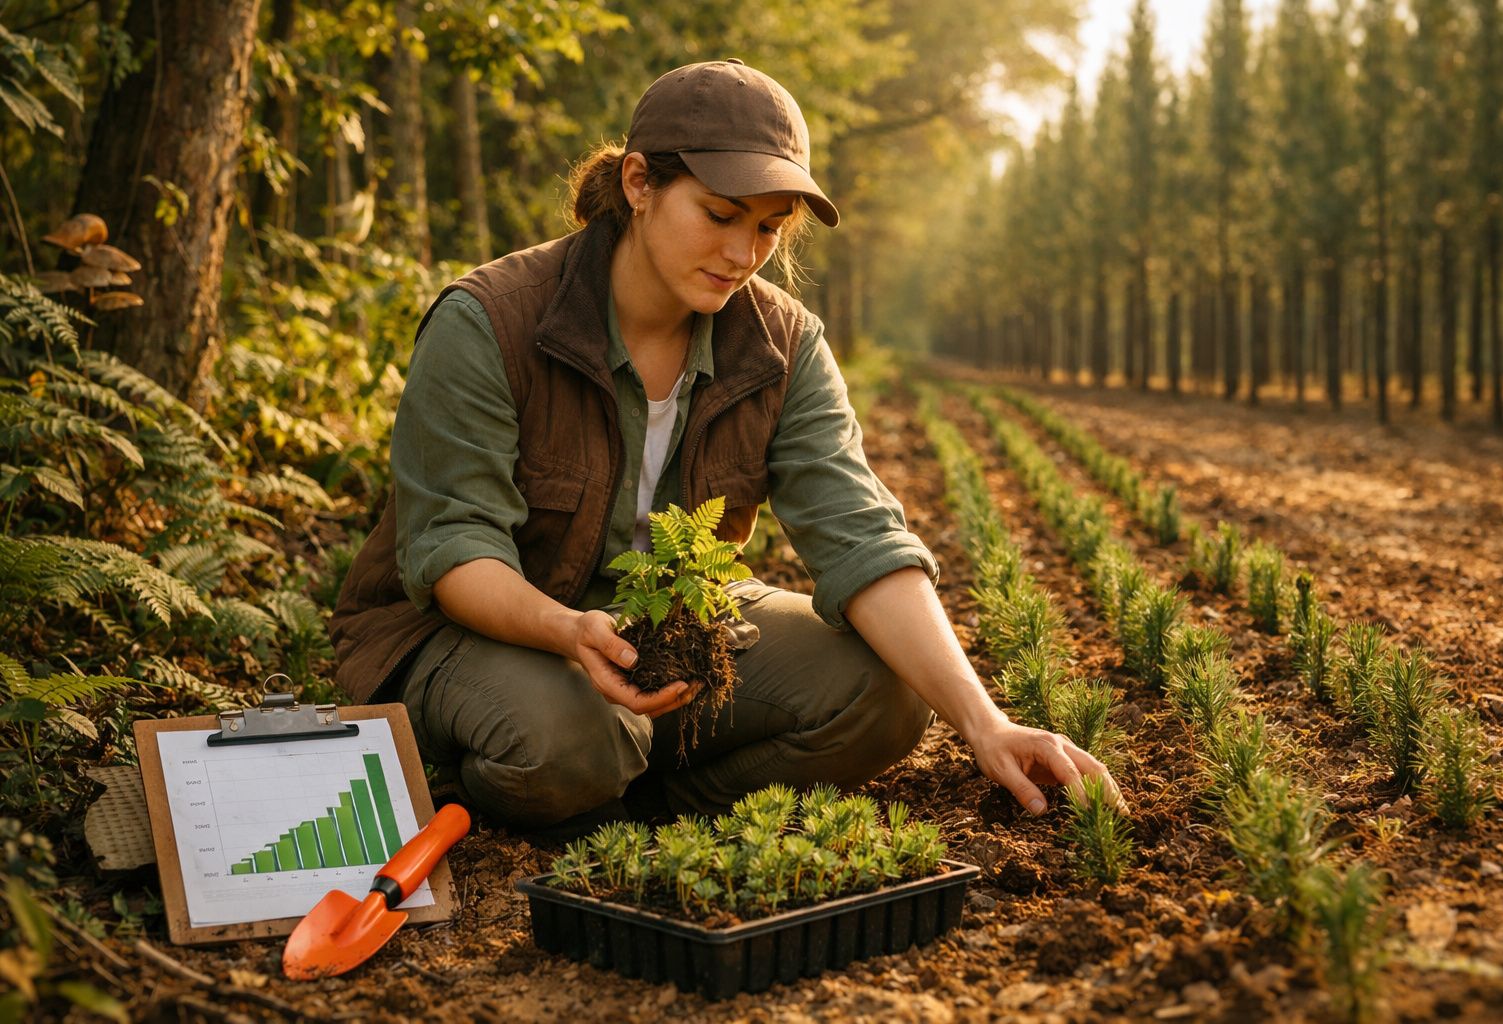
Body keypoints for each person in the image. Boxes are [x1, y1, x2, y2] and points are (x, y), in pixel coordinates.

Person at [329, 59, 1121, 833]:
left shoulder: (781, 344)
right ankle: (556, 764)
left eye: (769, 228)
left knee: (885, 696)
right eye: (719, 215)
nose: (744, 255)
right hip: (480, 630)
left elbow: (860, 536)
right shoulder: (491, 321)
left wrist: (985, 725)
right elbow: (452, 547)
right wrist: (569, 632)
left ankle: (641, 802)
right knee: (564, 739)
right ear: (639, 184)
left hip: (662, 629)